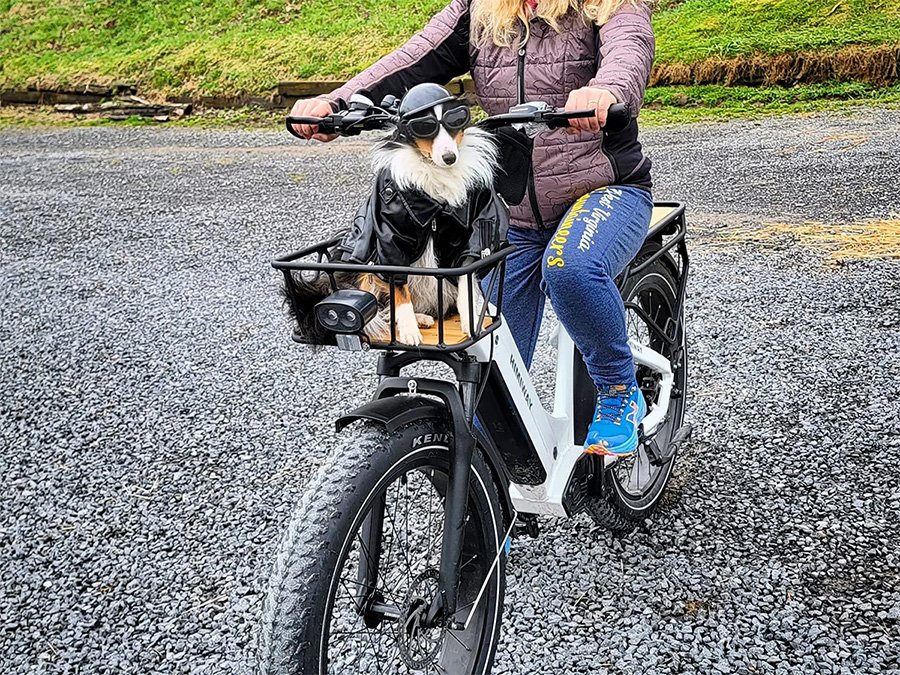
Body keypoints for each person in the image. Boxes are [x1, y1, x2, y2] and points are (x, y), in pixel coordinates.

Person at [290, 0, 655, 457]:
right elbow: (414, 56)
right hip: (515, 214)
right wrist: (339, 100)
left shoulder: (608, 5)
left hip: (607, 192)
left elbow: (629, 51)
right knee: (488, 375)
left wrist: (606, 91)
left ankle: (620, 390)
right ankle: (488, 509)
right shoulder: (480, 10)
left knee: (569, 267)